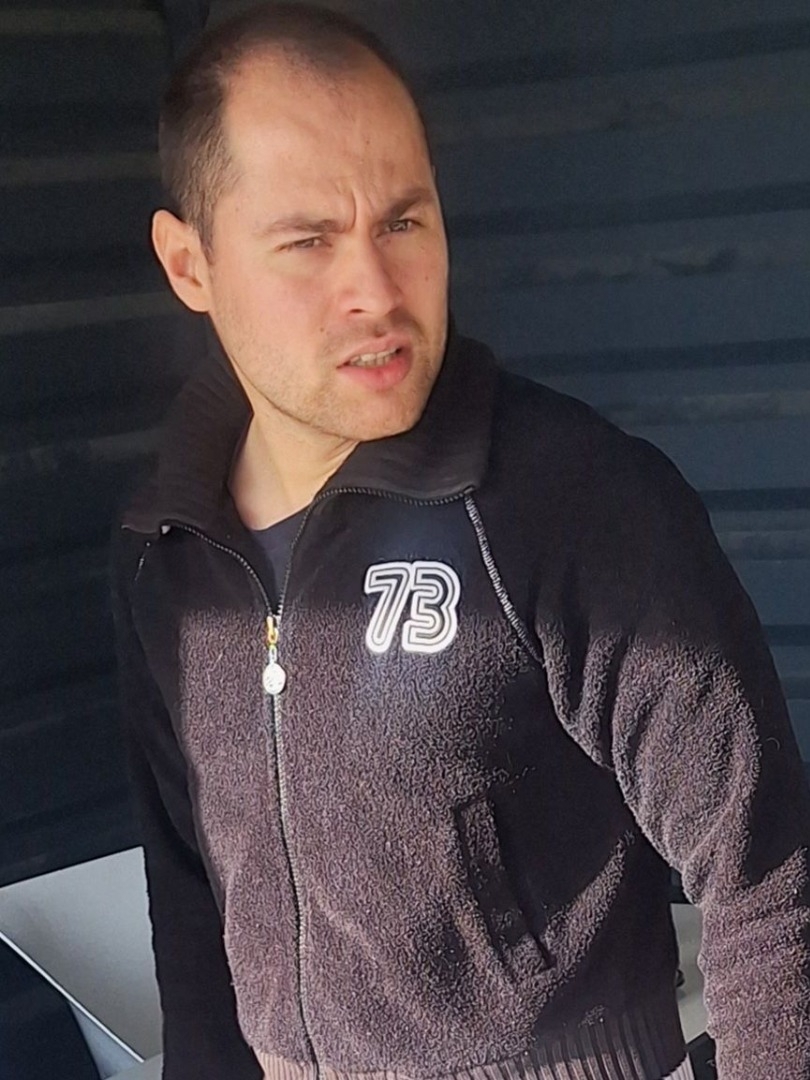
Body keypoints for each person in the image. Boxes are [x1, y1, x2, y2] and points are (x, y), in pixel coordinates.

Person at [111, 5, 810, 1080]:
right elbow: (193, 916)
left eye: (404, 222)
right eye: (309, 241)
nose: (378, 293)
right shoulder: (165, 557)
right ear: (189, 264)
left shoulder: (568, 499)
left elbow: (769, 873)